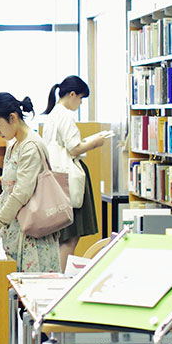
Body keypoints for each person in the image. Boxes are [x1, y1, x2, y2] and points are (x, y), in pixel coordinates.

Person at [0, 93, 78, 272]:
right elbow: (7, 193)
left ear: (12, 117)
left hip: (32, 234)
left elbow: (21, 193)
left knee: (32, 292)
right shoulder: (14, 145)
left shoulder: (31, 146)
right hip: (17, 231)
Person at [39, 76, 112, 243]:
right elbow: (74, 149)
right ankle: (62, 270)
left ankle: (59, 268)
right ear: (72, 94)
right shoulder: (65, 115)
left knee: (62, 234)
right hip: (68, 177)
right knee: (71, 236)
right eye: (80, 98)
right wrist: (95, 143)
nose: (80, 103)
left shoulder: (53, 115)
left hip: (55, 176)